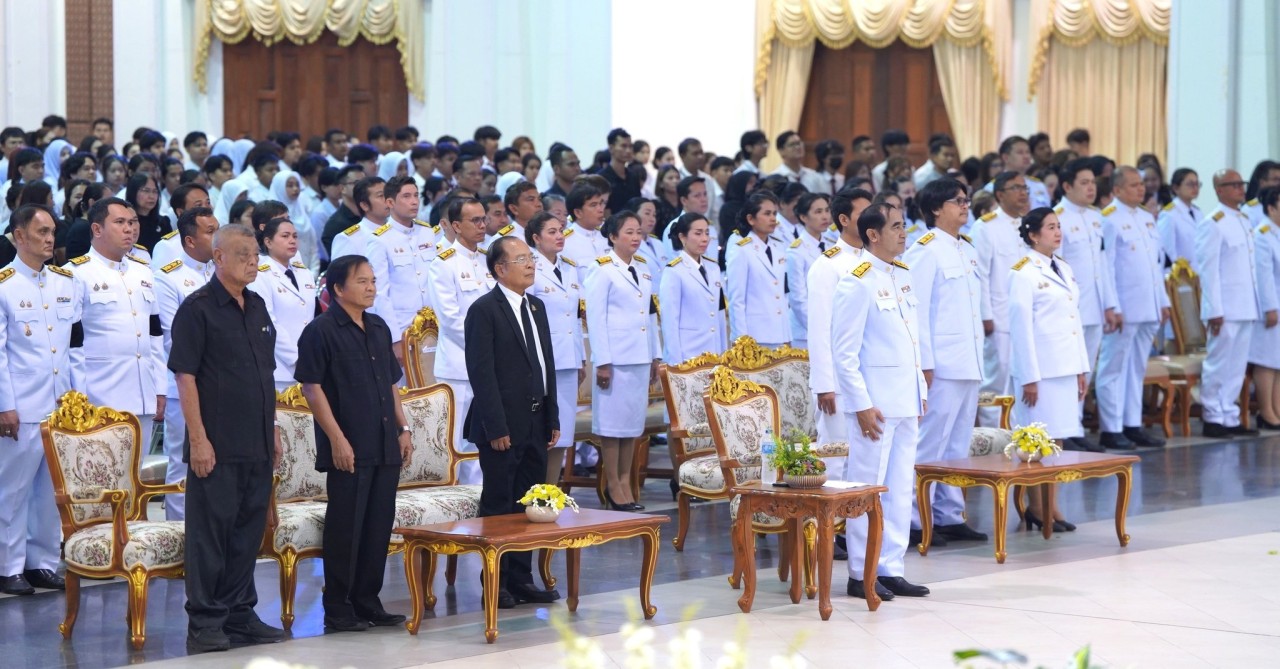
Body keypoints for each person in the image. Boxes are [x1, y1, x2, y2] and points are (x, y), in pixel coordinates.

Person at [169, 223, 284, 653]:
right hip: (216, 444)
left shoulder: (256, 306)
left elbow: (265, 374)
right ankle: (205, 622)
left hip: (256, 440)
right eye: (243, 255)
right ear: (218, 257)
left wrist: (273, 429)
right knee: (210, 536)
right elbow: (185, 377)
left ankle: (239, 614)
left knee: (246, 533)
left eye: (255, 256)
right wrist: (198, 440)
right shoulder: (197, 309)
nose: (252, 263)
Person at [296, 255, 413, 633]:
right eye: (362, 281)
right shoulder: (321, 331)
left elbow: (391, 384)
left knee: (378, 525)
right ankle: (338, 607)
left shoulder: (378, 327)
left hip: (384, 441)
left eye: (373, 280)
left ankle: (367, 600)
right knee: (346, 527)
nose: (371, 287)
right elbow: (312, 389)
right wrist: (337, 440)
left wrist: (404, 428)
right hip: (349, 444)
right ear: (338, 288)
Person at [831, 203, 928, 601]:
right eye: (895, 227)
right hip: (876, 406)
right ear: (873, 234)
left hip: (905, 399)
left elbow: (911, 340)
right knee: (866, 488)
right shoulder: (857, 281)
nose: (904, 233)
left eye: (904, 226)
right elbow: (844, 354)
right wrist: (861, 405)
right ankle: (861, 572)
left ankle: (891, 567)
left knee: (900, 489)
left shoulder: (902, 274)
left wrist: (920, 391)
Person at [464, 236, 562, 607]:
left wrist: (552, 415)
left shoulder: (536, 306)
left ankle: (522, 579)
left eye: (530, 258)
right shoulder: (484, 310)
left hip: (536, 420)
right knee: (500, 504)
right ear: (500, 268)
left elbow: (545, 364)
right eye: (521, 259)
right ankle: (496, 581)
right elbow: (481, 372)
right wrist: (497, 427)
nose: (531, 264)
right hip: (502, 426)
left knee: (531, 503)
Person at [904, 179, 988, 546]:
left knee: (957, 444)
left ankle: (949, 514)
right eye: (958, 201)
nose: (965, 205)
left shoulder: (966, 249)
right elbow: (918, 311)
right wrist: (925, 362)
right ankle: (913, 519)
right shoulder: (925, 250)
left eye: (966, 199)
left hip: (968, 359)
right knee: (929, 443)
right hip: (941, 363)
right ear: (936, 208)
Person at [0, 206, 76, 596]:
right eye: (41, 232)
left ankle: (42, 562)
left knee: (50, 491)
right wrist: (4, 404)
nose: (49, 239)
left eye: (52, 232)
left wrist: (77, 399)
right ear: (19, 236)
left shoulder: (64, 282)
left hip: (59, 404)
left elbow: (72, 348)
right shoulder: (5, 285)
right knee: (12, 491)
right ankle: (7, 565)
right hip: (22, 404)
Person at [1008, 208, 1091, 532]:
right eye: (1050, 227)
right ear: (1033, 235)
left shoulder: (1064, 268)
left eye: (1059, 226)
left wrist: (1081, 369)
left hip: (1064, 366)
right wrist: (1029, 377)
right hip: (1040, 371)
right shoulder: (1023, 272)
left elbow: (1074, 321)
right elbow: (1021, 329)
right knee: (1036, 441)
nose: (1058, 232)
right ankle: (1036, 506)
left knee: (1056, 440)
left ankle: (1052, 505)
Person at [65, 198, 165, 450]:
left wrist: (160, 388)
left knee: (137, 471)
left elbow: (154, 335)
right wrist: (79, 396)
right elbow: (72, 343)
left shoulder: (143, 272)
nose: (129, 228)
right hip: (101, 394)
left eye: (131, 222)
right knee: (103, 470)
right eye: (119, 222)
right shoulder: (76, 274)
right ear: (97, 229)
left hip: (143, 392)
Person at [585, 210, 660, 511]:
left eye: (638, 232)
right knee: (612, 426)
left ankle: (626, 481)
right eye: (629, 232)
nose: (635, 237)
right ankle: (613, 484)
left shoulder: (642, 268)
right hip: (615, 360)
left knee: (632, 426)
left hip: (639, 357)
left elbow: (650, 316)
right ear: (613, 236)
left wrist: (655, 356)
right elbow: (596, 318)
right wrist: (602, 361)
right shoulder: (602, 269)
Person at [1095, 167, 1169, 449]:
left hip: (1148, 305)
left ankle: (1131, 424)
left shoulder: (1147, 218)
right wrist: (1112, 305)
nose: (1141, 189)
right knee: (1113, 368)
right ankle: (1111, 428)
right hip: (1124, 306)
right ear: (1116, 190)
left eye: (1141, 184)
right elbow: (1107, 268)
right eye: (1133, 185)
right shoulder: (1109, 219)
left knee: (1136, 369)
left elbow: (1155, 265)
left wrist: (1163, 301)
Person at [155, 207, 219, 521]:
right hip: (184, 382)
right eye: (210, 231)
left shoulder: (225, 271)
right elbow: (173, 337)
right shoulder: (169, 278)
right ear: (190, 240)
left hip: (223, 384)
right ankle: (179, 536)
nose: (217, 237)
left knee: (220, 462)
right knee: (183, 464)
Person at [429, 198, 497, 484]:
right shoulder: (443, 264)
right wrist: (486, 347)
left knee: (485, 436)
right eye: (475, 220)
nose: (482, 225)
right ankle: (454, 497)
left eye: (484, 219)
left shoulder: (488, 260)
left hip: (490, 363)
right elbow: (451, 319)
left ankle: (480, 494)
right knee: (456, 440)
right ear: (456, 226)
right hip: (459, 364)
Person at [807, 189, 872, 478]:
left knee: (867, 456)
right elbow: (820, 328)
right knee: (836, 455)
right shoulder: (828, 265)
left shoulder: (876, 260)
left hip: (868, 374)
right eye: (863, 213)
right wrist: (825, 384)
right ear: (844, 220)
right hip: (837, 380)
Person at [1056, 159, 1119, 452]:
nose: (1091, 188)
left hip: (1095, 306)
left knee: (1086, 370)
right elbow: (1056, 267)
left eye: (1093, 182)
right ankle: (1064, 428)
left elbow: (1103, 265)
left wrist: (1111, 305)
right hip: (1071, 308)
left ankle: (1076, 425)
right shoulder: (1058, 218)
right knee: (1069, 370)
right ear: (1067, 186)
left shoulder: (1096, 217)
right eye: (1084, 183)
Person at [1195, 170, 1262, 438]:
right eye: (1233, 185)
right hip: (1225, 307)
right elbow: (1208, 271)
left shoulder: (1244, 219)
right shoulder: (1213, 223)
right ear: (1219, 189)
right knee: (1219, 363)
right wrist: (1214, 310)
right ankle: (1213, 415)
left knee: (1237, 365)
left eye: (1240, 184)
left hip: (1246, 304)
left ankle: (1229, 415)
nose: (1240, 188)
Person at [526, 212, 585, 487]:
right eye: (552, 231)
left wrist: (581, 358)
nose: (560, 236)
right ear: (536, 238)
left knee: (564, 430)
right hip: (543, 359)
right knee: (542, 429)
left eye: (560, 230)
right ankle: (536, 491)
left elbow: (575, 317)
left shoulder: (570, 268)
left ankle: (553, 490)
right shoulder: (529, 268)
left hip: (568, 359)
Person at [971, 171, 1031, 426]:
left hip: (1026, 315)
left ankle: (1018, 435)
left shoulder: (1029, 225)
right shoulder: (986, 227)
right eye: (1015, 188)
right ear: (999, 194)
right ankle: (992, 437)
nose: (1022, 193)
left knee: (1022, 378)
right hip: (999, 315)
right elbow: (981, 275)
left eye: (1025, 188)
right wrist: (985, 315)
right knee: (996, 380)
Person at [366, 175, 436, 360]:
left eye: (416, 195)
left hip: (434, 325)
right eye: (406, 196)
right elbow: (380, 292)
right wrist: (394, 338)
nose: (414, 201)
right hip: (403, 326)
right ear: (390, 202)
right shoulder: (380, 239)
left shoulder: (427, 231)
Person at [249, 215, 317, 391]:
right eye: (285, 236)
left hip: (311, 365)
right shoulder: (261, 275)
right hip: (279, 369)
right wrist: (297, 359)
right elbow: (268, 323)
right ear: (268, 242)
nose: (292, 240)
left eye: (295, 236)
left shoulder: (305, 273)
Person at [659, 212, 728, 364]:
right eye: (698, 233)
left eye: (707, 233)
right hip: (688, 354)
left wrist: (724, 353)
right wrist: (676, 363)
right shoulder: (674, 271)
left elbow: (719, 313)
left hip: (714, 352)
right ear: (682, 237)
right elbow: (670, 321)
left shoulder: (713, 267)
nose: (705, 238)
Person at [725, 191, 790, 347]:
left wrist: (787, 334)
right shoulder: (741, 250)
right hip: (755, 334)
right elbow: (737, 300)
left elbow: (782, 294)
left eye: (774, 213)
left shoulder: (779, 246)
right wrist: (741, 340)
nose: (773, 218)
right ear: (751, 219)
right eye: (767, 214)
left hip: (780, 332)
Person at [1249, 188, 1280, 429]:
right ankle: (1266, 412)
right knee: (1267, 361)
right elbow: (1263, 276)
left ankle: (1277, 409)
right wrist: (1270, 307)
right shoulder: (1262, 234)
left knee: (1278, 361)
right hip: (1270, 308)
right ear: (1271, 208)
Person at [785, 193, 831, 348]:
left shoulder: (831, 245)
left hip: (832, 326)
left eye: (827, 210)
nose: (825, 216)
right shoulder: (796, 251)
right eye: (818, 212)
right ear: (803, 217)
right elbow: (798, 298)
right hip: (806, 331)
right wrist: (818, 328)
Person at [330, 176, 388, 261]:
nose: (388, 199)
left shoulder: (398, 229)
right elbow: (340, 269)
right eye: (381, 196)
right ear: (364, 205)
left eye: (388, 194)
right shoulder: (349, 239)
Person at [560, 183, 610, 282]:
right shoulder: (564, 242)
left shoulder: (609, 234)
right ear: (578, 212)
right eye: (593, 205)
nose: (600, 209)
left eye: (601, 203)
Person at [984, 136, 1051, 210]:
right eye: (1020, 152)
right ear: (1005, 157)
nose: (1026, 156)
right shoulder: (991, 188)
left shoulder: (1038, 185)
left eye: (1028, 152)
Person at [1157, 168, 1202, 264]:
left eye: (1197, 184)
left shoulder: (1198, 212)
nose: (1195, 188)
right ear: (1176, 188)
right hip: (1181, 271)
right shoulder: (1168, 214)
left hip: (1199, 269)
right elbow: (1167, 251)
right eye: (1190, 184)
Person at [320, 165, 366, 256]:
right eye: (357, 183)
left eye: (365, 183)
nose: (364, 187)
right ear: (342, 188)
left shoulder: (371, 215)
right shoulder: (335, 225)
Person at [125, 172, 172, 252]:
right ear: (133, 192)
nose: (151, 196)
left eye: (155, 191)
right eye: (146, 191)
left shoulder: (164, 222)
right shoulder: (126, 223)